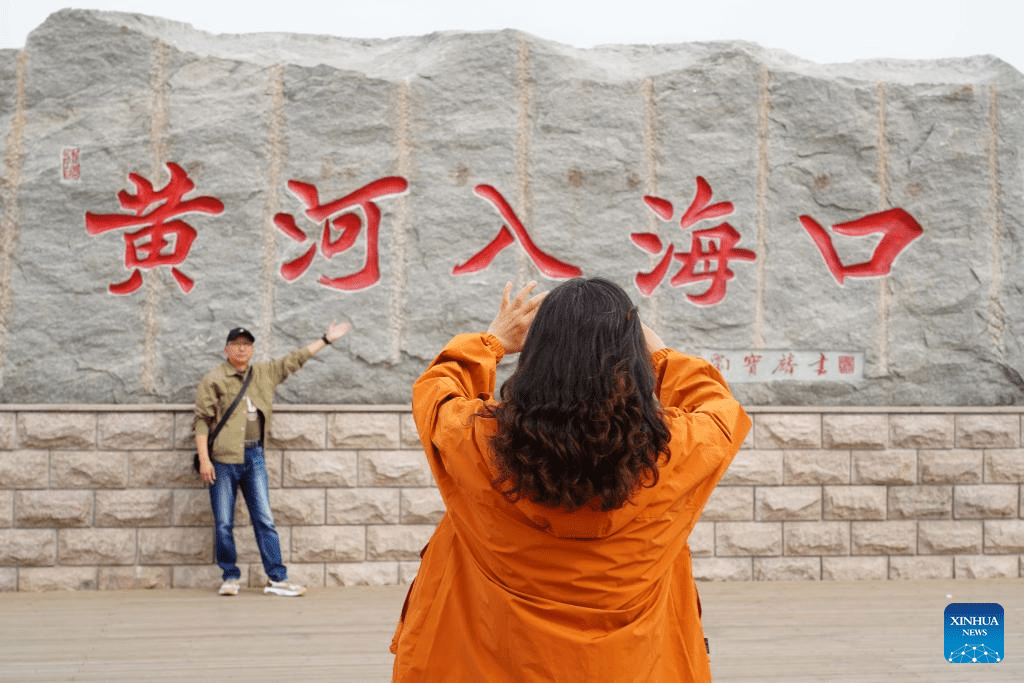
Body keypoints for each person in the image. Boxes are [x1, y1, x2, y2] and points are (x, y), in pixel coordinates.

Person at [391, 278, 751, 682]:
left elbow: (436, 391)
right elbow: (720, 410)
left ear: (538, 354)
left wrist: (492, 342)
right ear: (631, 359)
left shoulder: (475, 440)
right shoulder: (672, 451)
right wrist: (661, 354)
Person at [194, 321, 351, 597]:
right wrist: (205, 460)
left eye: (247, 345)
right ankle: (230, 576)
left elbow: (296, 360)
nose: (242, 349)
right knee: (223, 522)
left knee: (265, 518)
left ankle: (277, 578)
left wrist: (325, 339)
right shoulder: (214, 379)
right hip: (222, 460)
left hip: (254, 456)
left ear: (252, 350)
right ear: (226, 349)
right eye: (236, 344)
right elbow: (202, 422)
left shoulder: (265, 373)